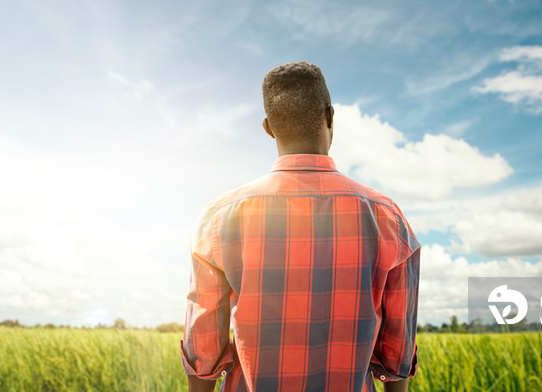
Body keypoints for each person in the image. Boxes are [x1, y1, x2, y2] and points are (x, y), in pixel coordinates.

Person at [180, 61, 420, 392]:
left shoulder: (220, 217)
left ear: (268, 127)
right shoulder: (387, 217)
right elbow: (397, 358)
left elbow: (202, 355)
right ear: (331, 117)